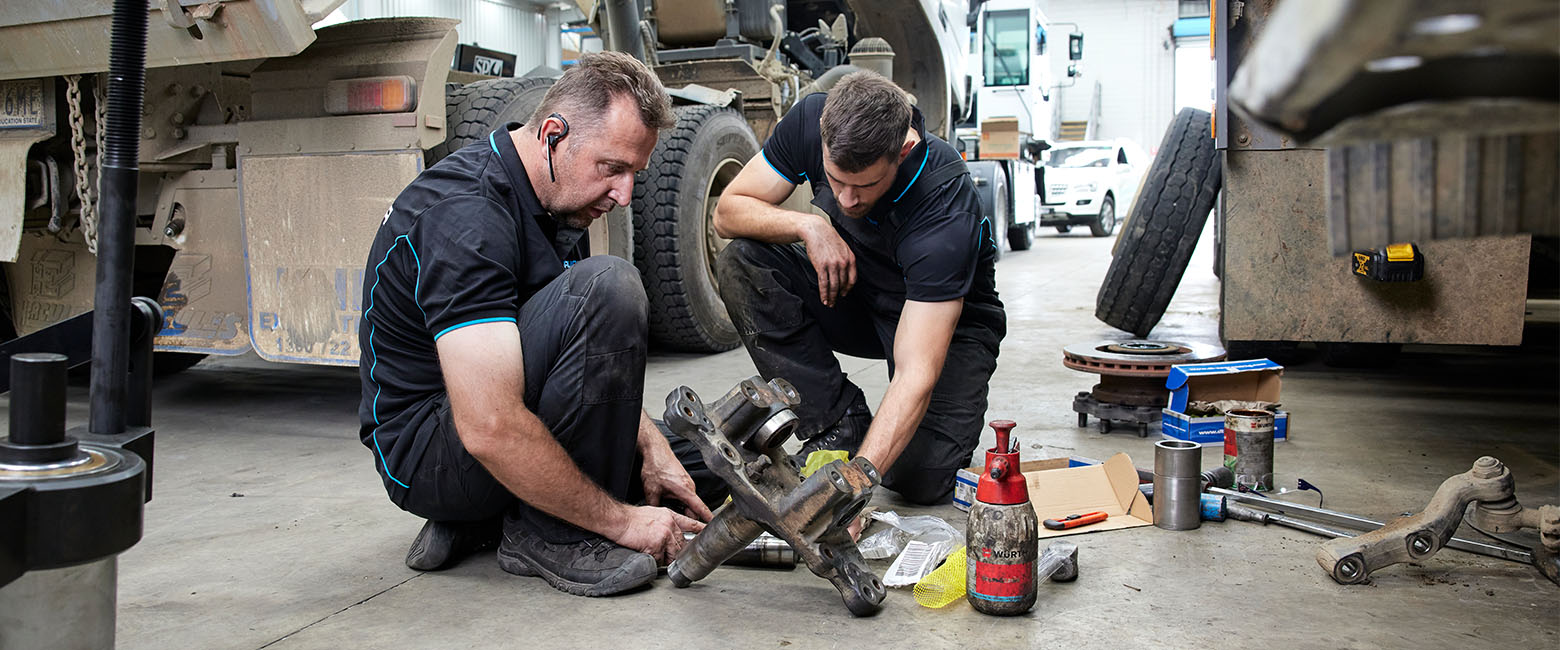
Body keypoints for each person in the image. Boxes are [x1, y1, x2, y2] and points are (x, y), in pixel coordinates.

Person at [356, 52, 716, 598]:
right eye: (612, 168)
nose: (623, 196)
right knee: (610, 287)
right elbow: (490, 426)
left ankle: (492, 517)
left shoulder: (543, 195)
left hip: (481, 421)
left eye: (633, 175)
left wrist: (651, 445)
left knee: (698, 461)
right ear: (552, 134)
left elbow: (580, 355)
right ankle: (551, 534)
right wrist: (621, 523)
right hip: (430, 453)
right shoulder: (468, 218)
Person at [712, 70, 1006, 505]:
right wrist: (809, 225)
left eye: (864, 185)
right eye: (836, 181)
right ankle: (837, 425)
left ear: (903, 150)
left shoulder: (943, 202)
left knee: (917, 478)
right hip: (859, 293)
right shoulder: (812, 120)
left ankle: (876, 452)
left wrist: (856, 479)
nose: (846, 201)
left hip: (946, 322)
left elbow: (916, 372)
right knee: (743, 262)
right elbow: (727, 212)